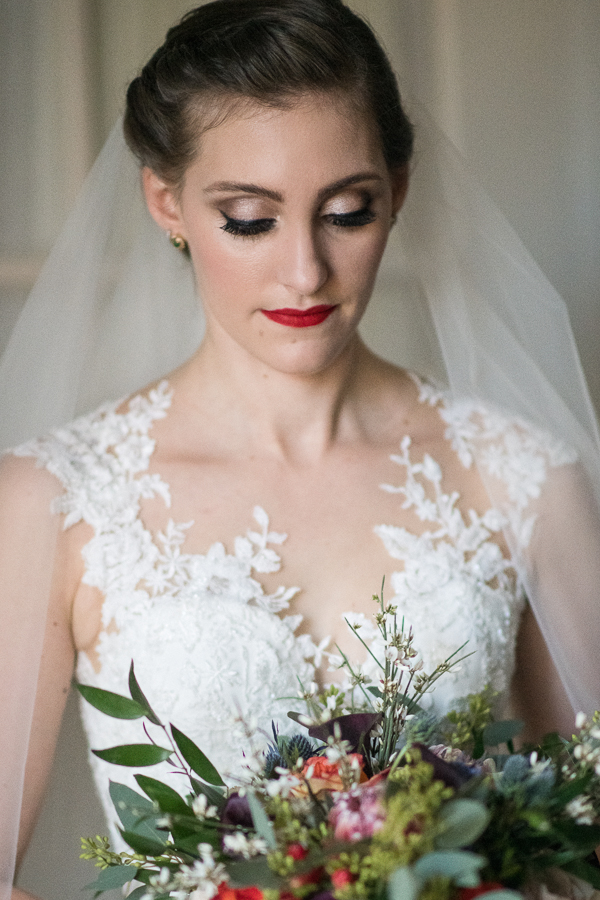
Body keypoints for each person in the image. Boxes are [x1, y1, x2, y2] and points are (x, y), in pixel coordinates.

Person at [2, 1, 600, 898]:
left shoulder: (518, 475)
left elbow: (583, 836)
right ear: (167, 202)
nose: (305, 273)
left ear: (397, 190)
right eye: (249, 218)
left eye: (347, 212)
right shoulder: (58, 501)